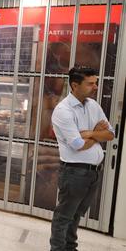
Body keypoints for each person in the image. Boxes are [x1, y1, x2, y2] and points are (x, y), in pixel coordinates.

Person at [49, 66, 115, 251]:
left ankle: (70, 247)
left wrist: (90, 133)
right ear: (75, 85)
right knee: (64, 216)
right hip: (74, 172)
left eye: (95, 83)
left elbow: (110, 134)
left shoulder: (93, 105)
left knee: (76, 214)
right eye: (90, 84)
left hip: (92, 173)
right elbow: (78, 145)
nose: (95, 87)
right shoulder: (64, 110)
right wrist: (97, 134)